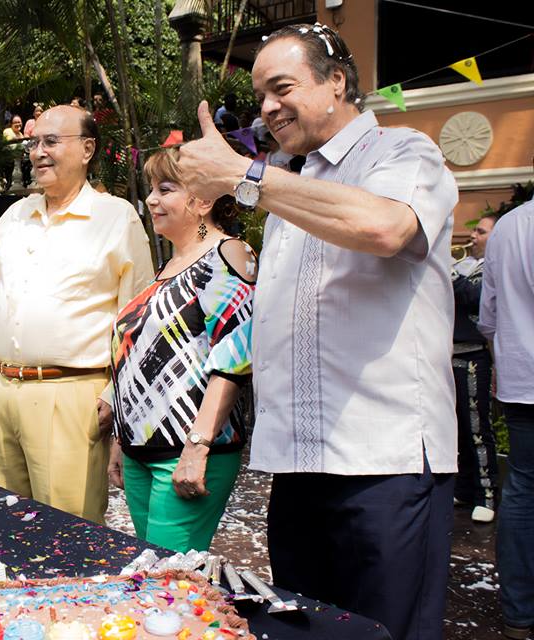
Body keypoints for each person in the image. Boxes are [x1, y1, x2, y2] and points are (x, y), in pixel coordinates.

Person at [176, 23, 458, 640]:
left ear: (336, 82)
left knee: (385, 632)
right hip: (299, 461)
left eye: (282, 88)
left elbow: (386, 228)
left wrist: (245, 176)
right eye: (261, 96)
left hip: (382, 460)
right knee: (311, 631)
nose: (268, 108)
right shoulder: (288, 180)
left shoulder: (403, 151)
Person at [0, 105, 154, 524]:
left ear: (87, 149)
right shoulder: (14, 217)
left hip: (71, 392)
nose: (38, 152)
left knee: (67, 532)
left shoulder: (115, 217)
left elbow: (137, 321)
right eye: (34, 143)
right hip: (0, 388)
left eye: (51, 142)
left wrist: (116, 396)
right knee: (0, 527)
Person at [107, 148, 256, 553]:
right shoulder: (168, 267)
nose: (151, 199)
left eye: (166, 189)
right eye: (151, 189)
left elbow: (235, 358)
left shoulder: (228, 253)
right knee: (150, 570)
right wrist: (121, 440)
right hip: (140, 451)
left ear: (204, 200)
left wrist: (198, 444)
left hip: (185, 451)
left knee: (169, 576)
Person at [478, 190, 534, 640]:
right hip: (519, 376)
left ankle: (519, 610)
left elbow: (489, 314)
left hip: (521, 376)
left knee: (522, 489)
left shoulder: (509, 226)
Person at [451, 212, 499, 523]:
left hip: (474, 357)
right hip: (452, 353)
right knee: (458, 429)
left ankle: (487, 493)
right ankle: (466, 488)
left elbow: (473, 297)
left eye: (481, 232)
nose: (473, 236)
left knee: (477, 428)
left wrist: (449, 271)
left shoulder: (491, 268)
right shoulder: (465, 264)